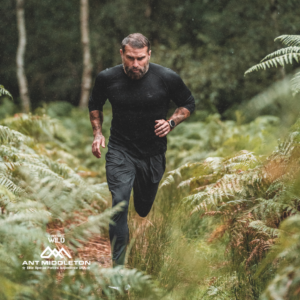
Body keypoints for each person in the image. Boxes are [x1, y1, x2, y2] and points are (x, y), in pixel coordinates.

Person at [88, 33, 195, 269]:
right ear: (122, 54)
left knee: (143, 208)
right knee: (119, 204)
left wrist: (171, 123)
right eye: (130, 58)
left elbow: (188, 103)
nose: (135, 64)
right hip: (120, 150)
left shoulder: (166, 78)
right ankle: (118, 270)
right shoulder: (107, 78)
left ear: (149, 55)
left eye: (140, 58)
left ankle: (140, 187)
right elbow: (95, 104)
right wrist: (97, 133)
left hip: (152, 154)